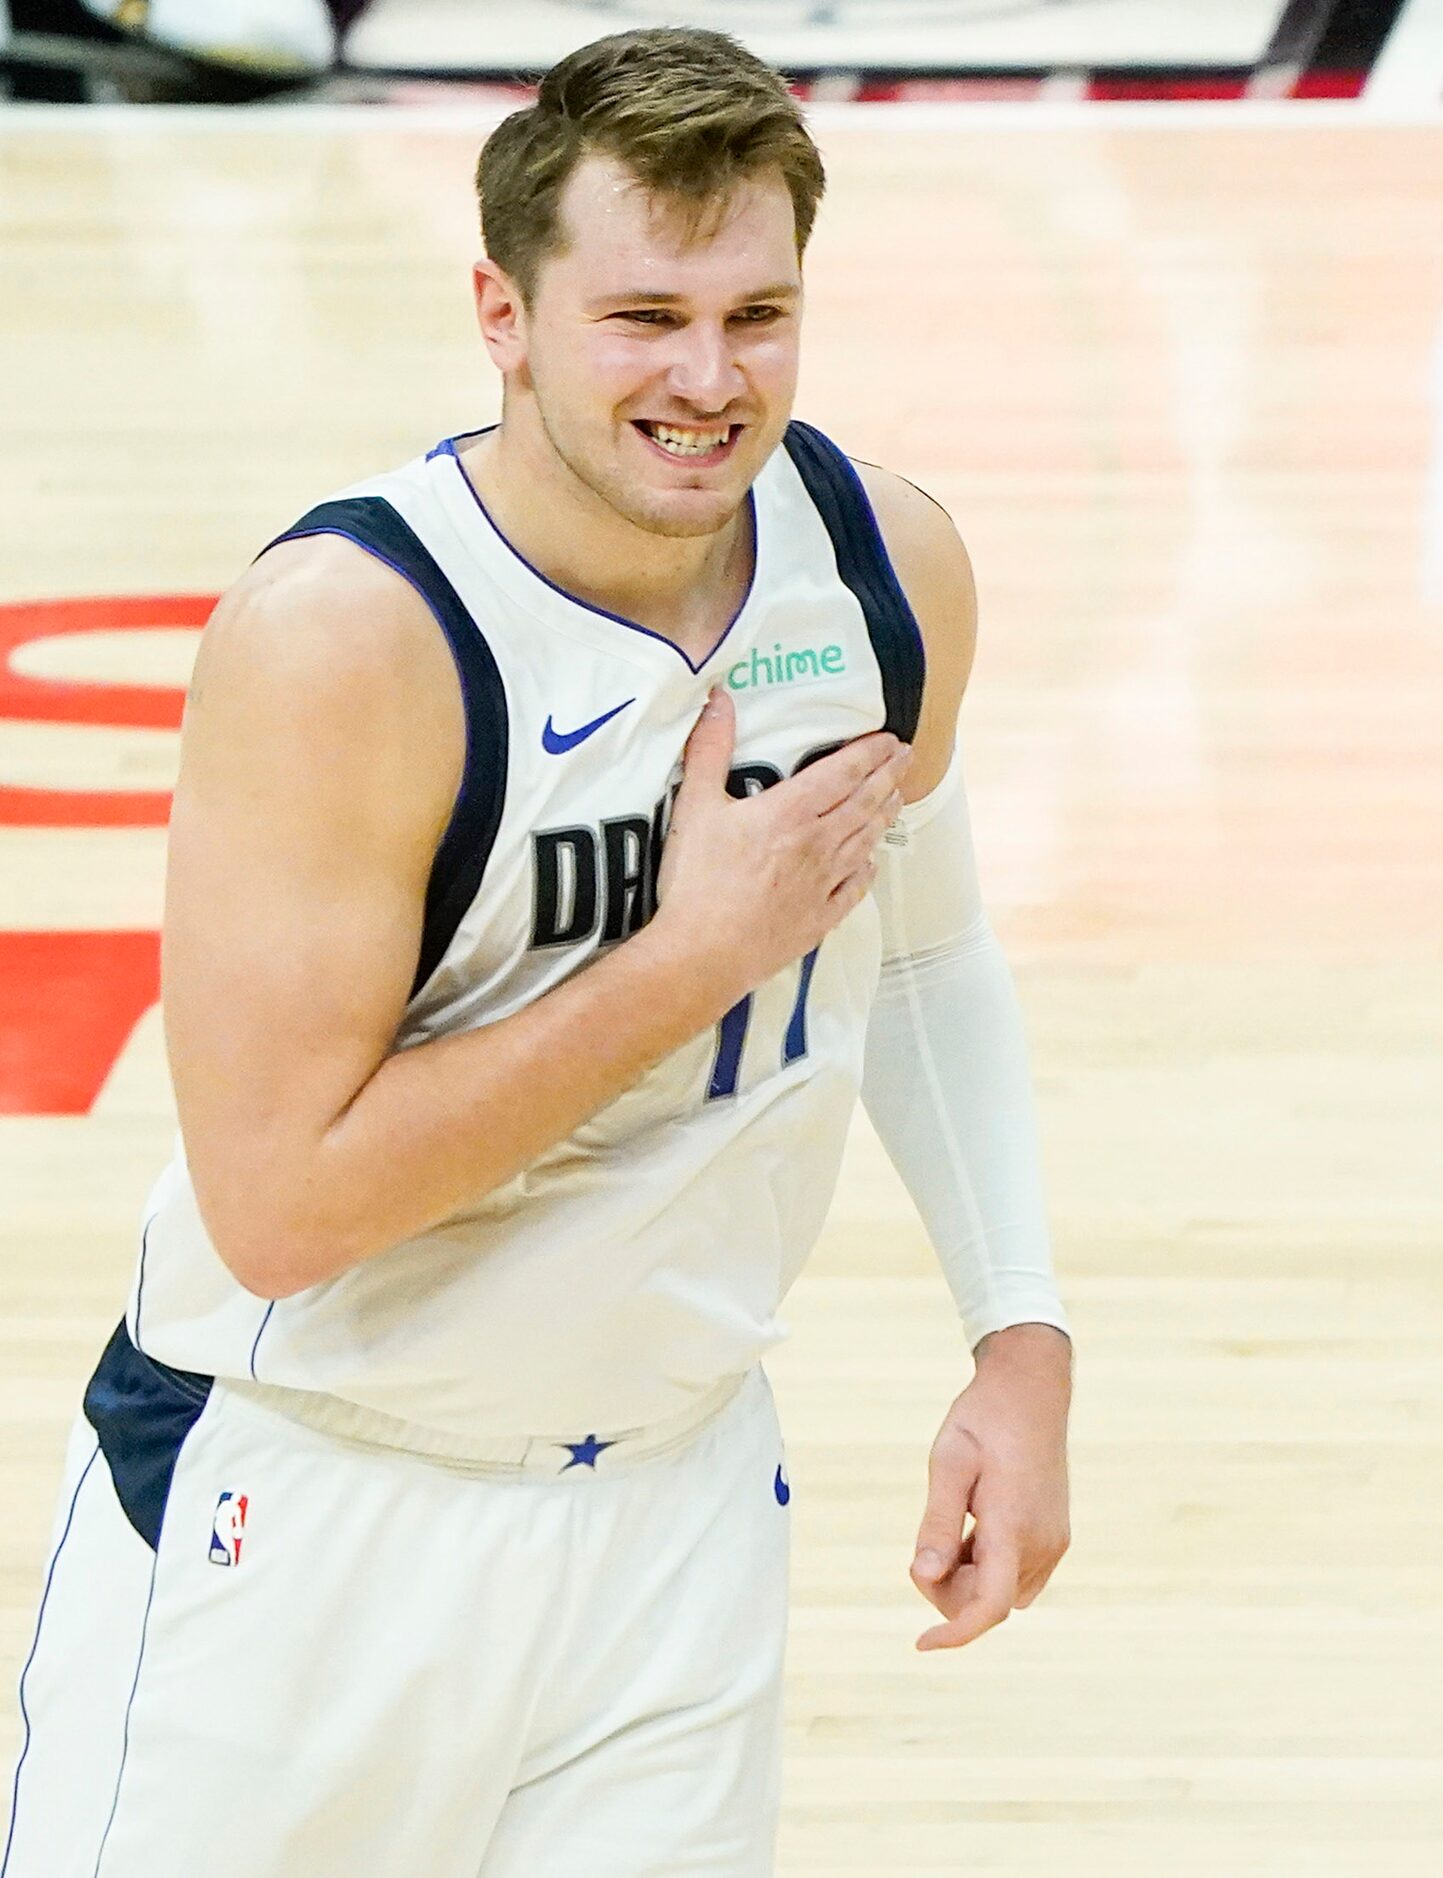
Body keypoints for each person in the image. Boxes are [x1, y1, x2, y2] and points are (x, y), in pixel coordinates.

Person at [2, 25, 1073, 1878]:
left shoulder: (886, 566)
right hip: (307, 1510)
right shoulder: (349, 637)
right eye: (643, 316)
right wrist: (692, 949)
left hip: (672, 1508)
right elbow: (280, 1207)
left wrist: (1020, 1335)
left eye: (759, 313)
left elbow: (917, 948)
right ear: (500, 311)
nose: (710, 379)